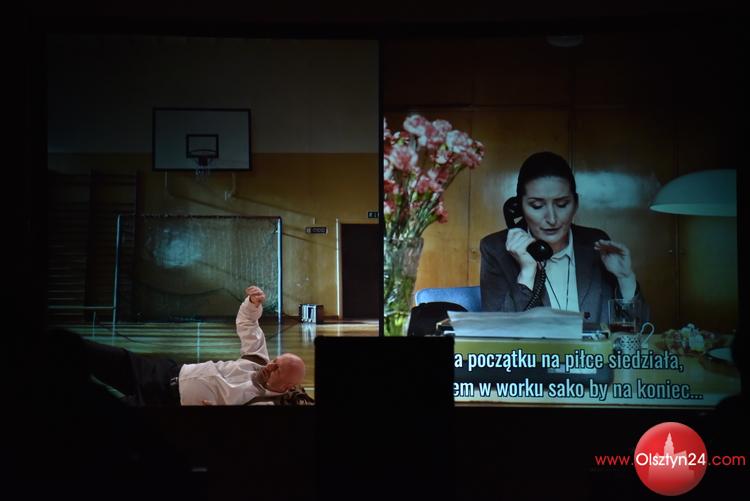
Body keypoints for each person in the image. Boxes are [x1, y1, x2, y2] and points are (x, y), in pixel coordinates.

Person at [480, 151, 647, 323]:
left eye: (562, 204)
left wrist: (625, 279)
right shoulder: (495, 249)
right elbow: (497, 330)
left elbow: (638, 329)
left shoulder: (596, 244)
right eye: (537, 206)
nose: (552, 219)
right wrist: (527, 273)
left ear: (575, 204)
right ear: (520, 207)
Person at [80, 285, 305, 405]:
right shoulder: (257, 361)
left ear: (286, 387)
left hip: (165, 405)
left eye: (277, 369)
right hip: (163, 373)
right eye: (275, 361)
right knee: (86, 351)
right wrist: (252, 304)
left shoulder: (263, 404)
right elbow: (247, 324)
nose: (270, 366)